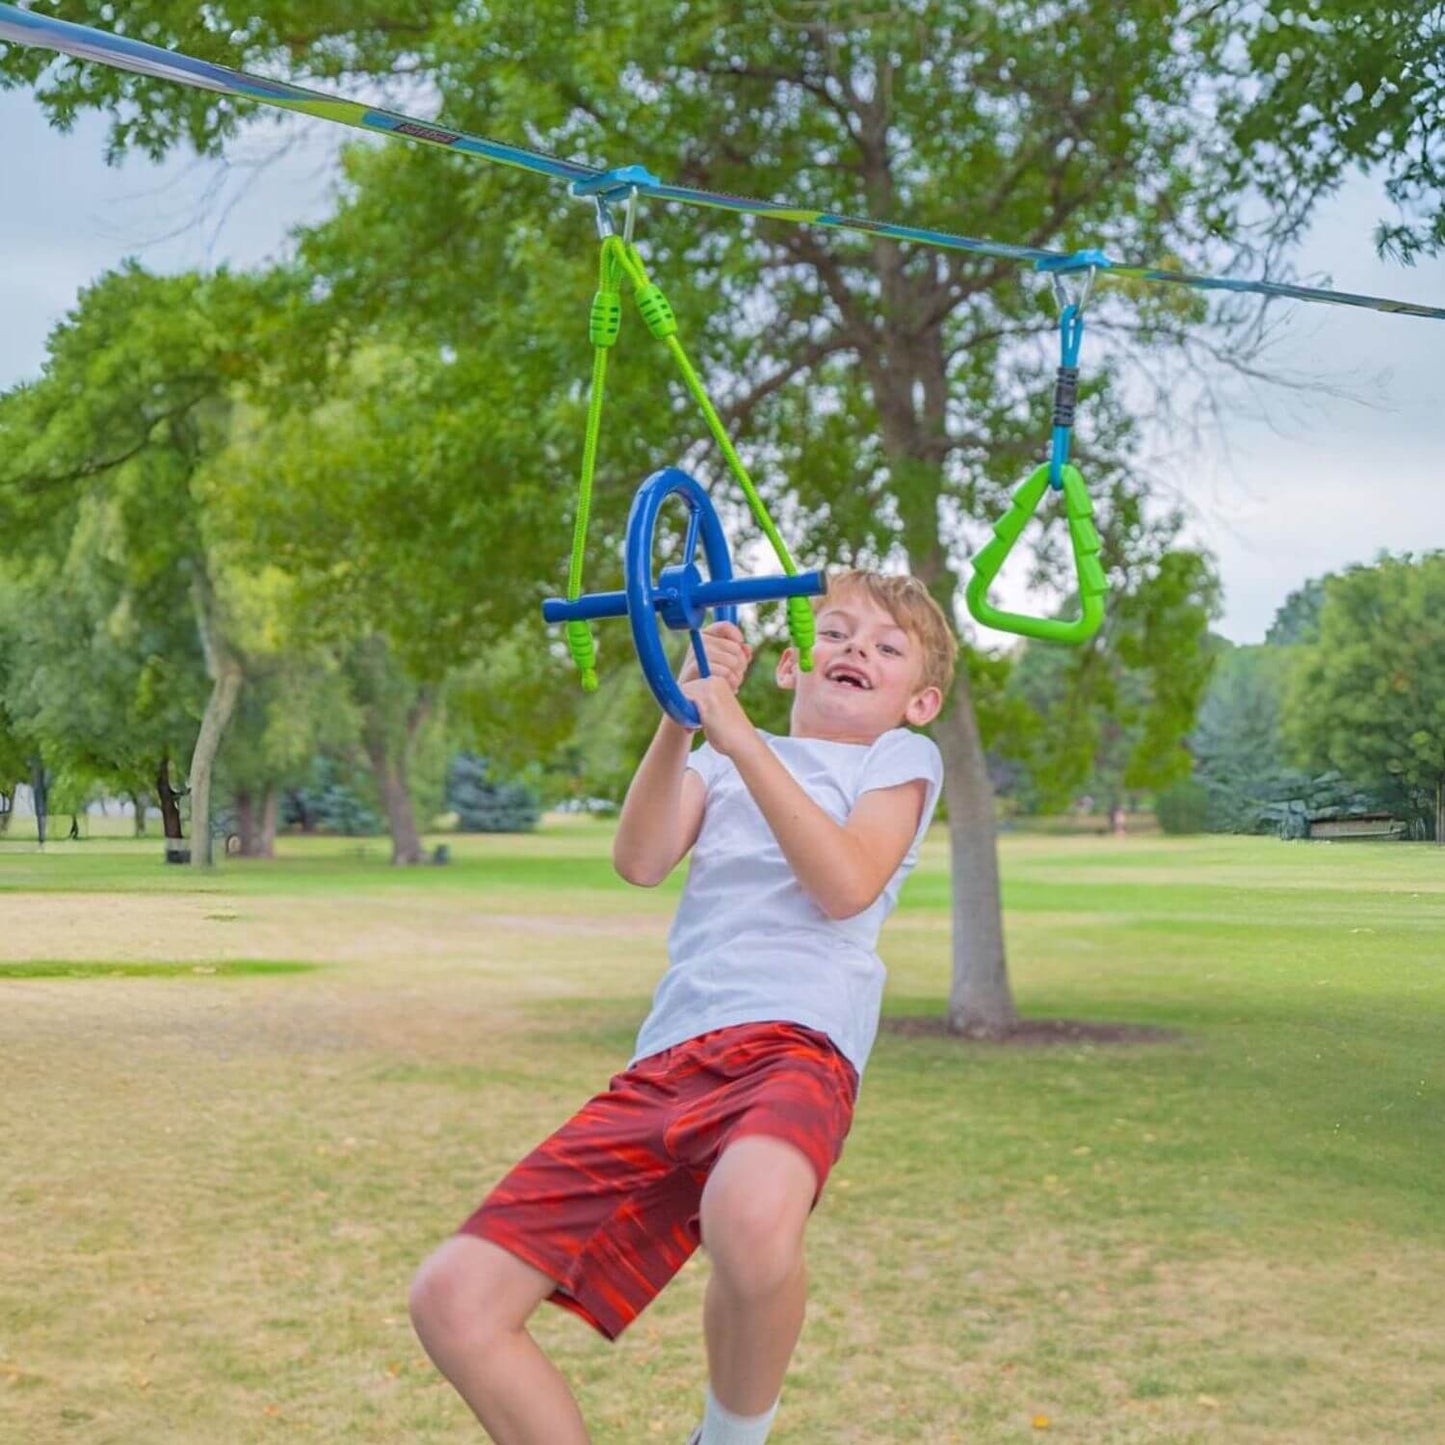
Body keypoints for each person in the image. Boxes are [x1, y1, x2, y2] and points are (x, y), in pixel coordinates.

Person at [408, 569, 955, 1445]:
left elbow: (846, 883)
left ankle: (727, 1438)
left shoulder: (896, 759)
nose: (857, 649)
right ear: (791, 664)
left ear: (918, 701)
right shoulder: (716, 757)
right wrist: (684, 711)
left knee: (749, 1212)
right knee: (451, 1299)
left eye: (887, 647)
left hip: (796, 1042)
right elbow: (639, 857)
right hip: (670, 1058)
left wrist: (742, 740)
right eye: (840, 631)